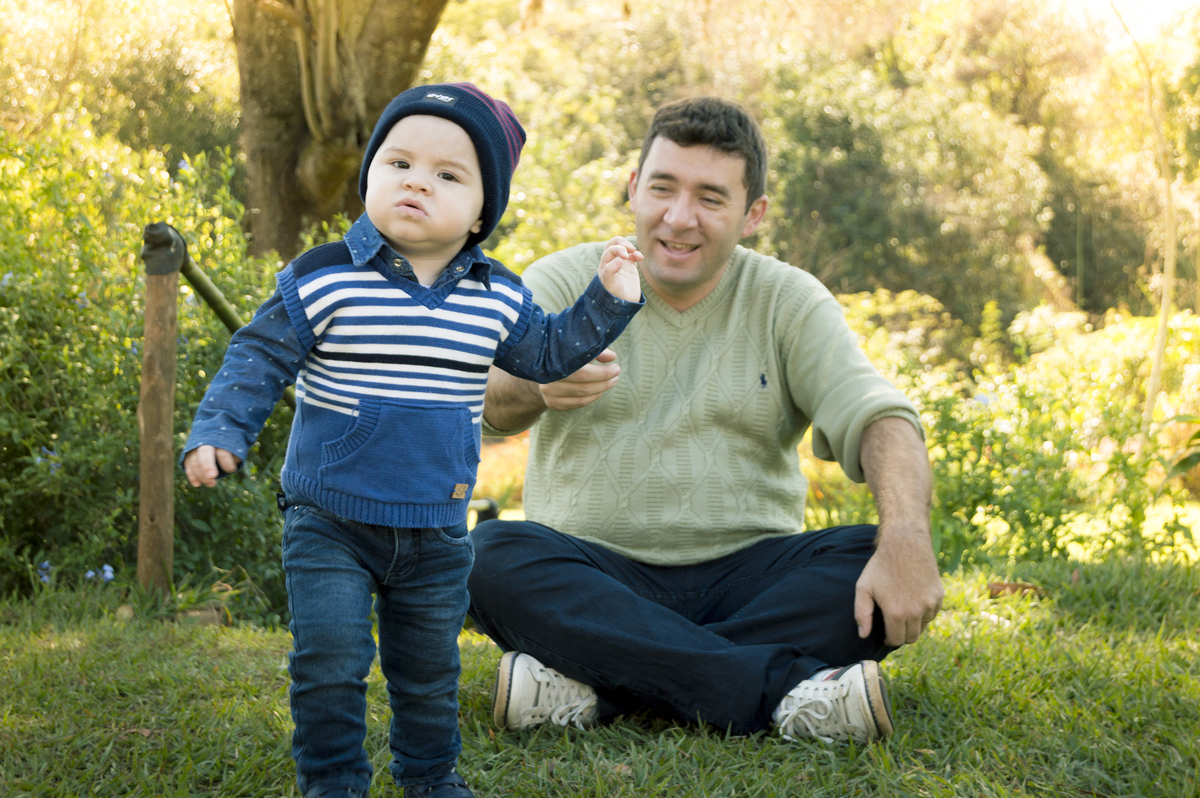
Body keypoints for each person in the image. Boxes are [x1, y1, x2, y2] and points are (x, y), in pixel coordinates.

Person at [181, 83, 643, 798]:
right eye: (398, 163)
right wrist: (219, 430)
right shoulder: (325, 277)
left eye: (448, 174)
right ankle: (333, 782)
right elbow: (258, 355)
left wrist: (609, 296)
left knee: (428, 671)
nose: (417, 181)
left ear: (482, 211)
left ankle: (430, 779)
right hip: (329, 519)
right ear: (369, 174)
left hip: (436, 529)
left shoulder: (498, 296)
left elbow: (551, 355)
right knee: (329, 659)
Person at [468, 96, 944, 745]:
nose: (678, 217)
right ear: (634, 188)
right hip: (594, 571)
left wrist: (909, 539)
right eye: (662, 188)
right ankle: (778, 692)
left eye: (710, 198)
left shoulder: (788, 300)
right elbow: (483, 403)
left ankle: (604, 684)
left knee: (868, 555)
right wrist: (536, 383)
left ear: (753, 215)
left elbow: (879, 415)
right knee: (488, 555)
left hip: (751, 579)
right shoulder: (563, 281)